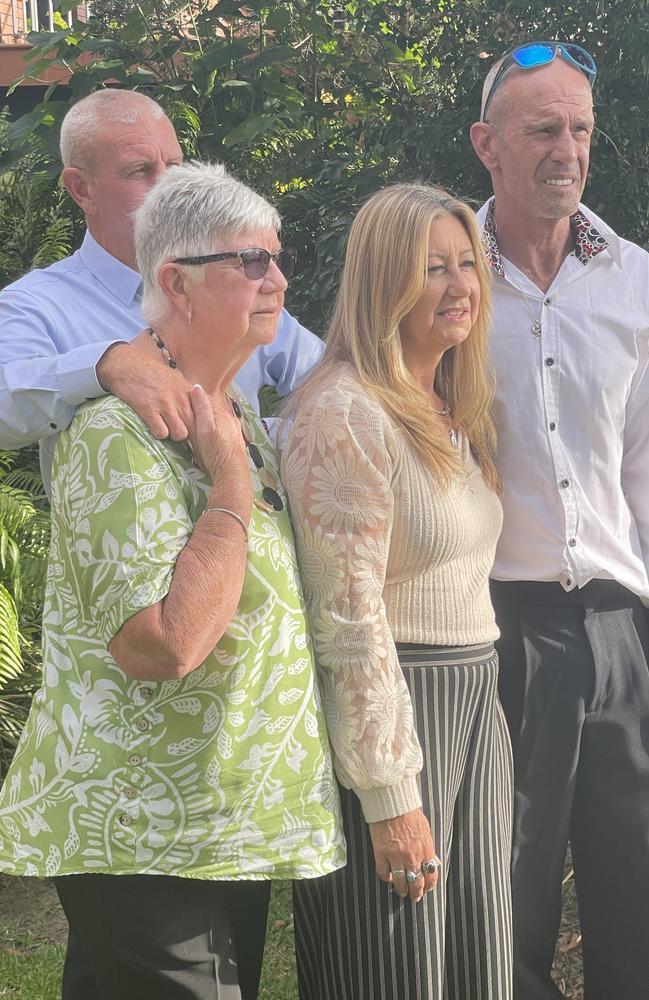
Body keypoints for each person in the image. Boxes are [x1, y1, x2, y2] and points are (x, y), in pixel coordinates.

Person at [0, 161, 345, 1000]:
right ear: (176, 285)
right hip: (140, 830)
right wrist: (229, 489)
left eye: (277, 257)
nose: (278, 279)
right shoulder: (115, 436)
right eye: (251, 262)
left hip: (221, 819)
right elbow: (163, 645)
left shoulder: (240, 420)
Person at [281, 182, 513, 1000]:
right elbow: (347, 616)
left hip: (474, 699)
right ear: (384, 283)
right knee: (395, 969)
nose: (460, 287)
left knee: (473, 957)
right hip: (395, 711)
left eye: (467, 264)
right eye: (432, 269)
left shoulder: (453, 405)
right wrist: (388, 796)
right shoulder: (344, 410)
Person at [469, 41, 649, 1000]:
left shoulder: (636, 282)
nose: (566, 149)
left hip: (623, 630)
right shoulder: (442, 282)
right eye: (542, 128)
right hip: (499, 630)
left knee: (639, 889)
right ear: (486, 144)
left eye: (579, 128)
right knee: (510, 894)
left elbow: (646, 468)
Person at [0, 88, 324, 491]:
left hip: (264, 536)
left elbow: (334, 388)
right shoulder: (36, 305)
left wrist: (255, 435)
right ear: (82, 189)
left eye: (173, 165)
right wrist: (107, 365)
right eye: (139, 171)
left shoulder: (240, 284)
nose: (166, 186)